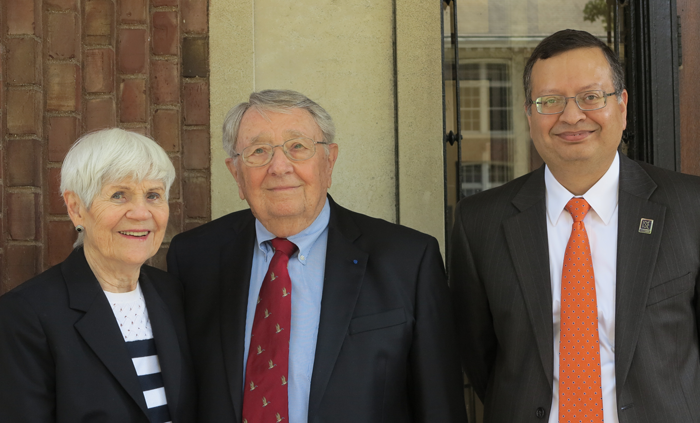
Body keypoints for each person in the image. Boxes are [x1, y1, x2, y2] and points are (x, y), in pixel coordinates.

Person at [167, 89, 467, 423]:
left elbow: (440, 408)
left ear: (329, 161)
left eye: (297, 147)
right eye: (258, 151)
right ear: (236, 173)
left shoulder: (409, 260)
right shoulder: (194, 258)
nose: (279, 167)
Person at [449, 28, 700, 423]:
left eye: (591, 97)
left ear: (622, 106)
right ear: (529, 114)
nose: (571, 116)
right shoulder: (479, 222)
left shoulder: (691, 207)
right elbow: (480, 357)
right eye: (550, 101)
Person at [0, 128, 196, 423]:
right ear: (77, 209)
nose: (141, 213)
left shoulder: (173, 293)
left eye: (153, 195)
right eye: (119, 195)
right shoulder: (27, 315)